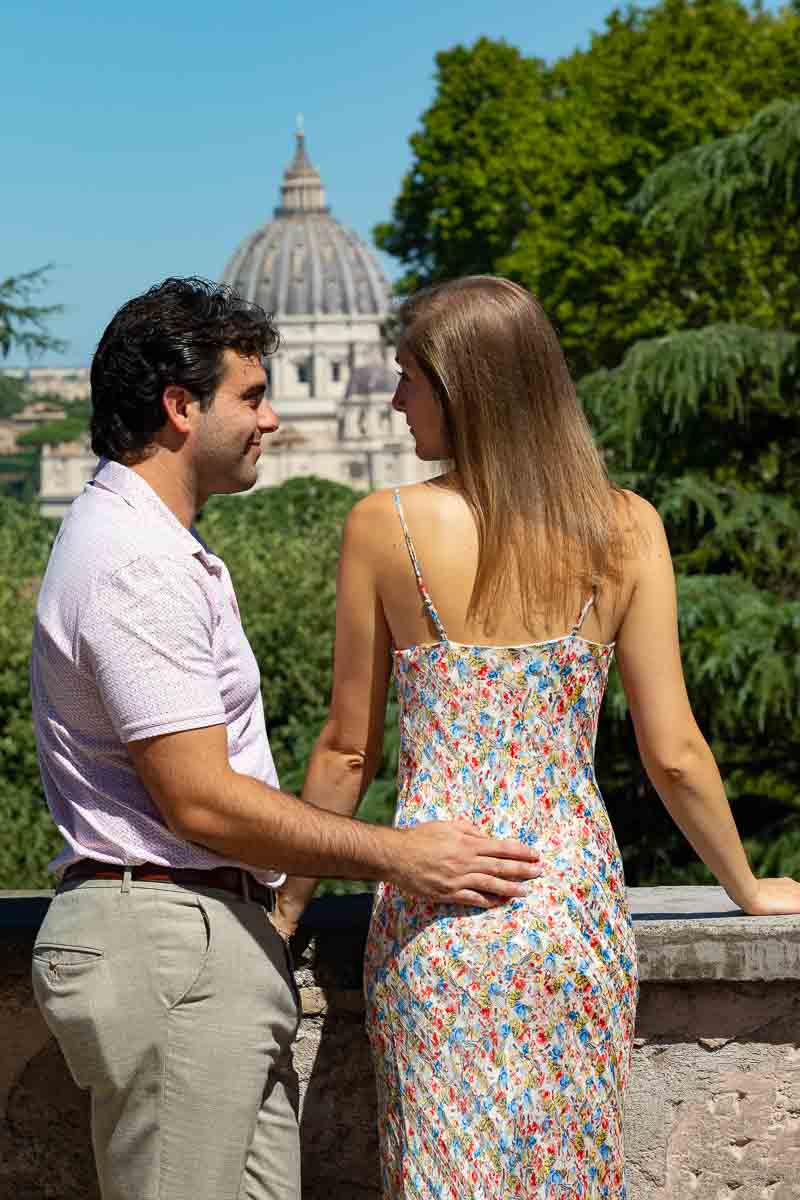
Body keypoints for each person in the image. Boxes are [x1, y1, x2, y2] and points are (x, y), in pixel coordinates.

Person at [274, 275, 800, 1199]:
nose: (393, 403)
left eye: (409, 380)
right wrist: (749, 887)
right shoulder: (626, 528)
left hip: (439, 913)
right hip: (572, 914)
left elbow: (348, 754)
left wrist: (283, 912)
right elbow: (672, 752)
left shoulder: (382, 526)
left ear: (463, 387)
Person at [29, 277, 544, 1200]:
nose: (271, 422)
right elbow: (196, 797)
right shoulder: (137, 563)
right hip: (171, 945)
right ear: (181, 407)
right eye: (253, 396)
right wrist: (398, 856)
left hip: (192, 942)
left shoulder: (141, 543)